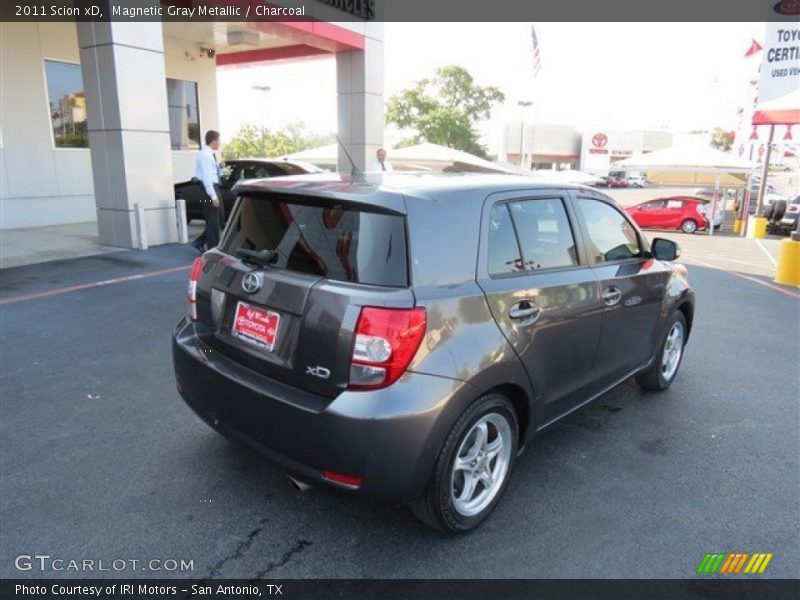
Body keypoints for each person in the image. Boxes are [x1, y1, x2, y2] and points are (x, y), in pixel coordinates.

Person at [192, 130, 223, 252]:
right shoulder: (205, 155)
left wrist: (219, 167)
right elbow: (207, 178)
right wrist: (213, 197)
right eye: (219, 140)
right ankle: (212, 248)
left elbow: (212, 174)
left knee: (218, 219)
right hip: (209, 189)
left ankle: (200, 242)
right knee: (213, 220)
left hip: (212, 188)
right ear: (214, 141)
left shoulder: (209, 154)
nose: (220, 143)